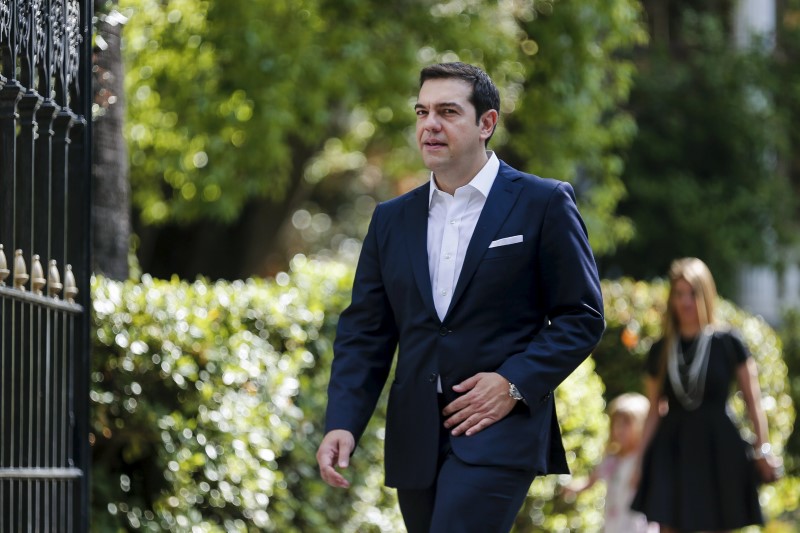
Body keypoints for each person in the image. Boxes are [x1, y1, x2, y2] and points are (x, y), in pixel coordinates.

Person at [315, 61, 605, 533]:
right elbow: (366, 331)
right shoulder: (390, 220)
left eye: (448, 112)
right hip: (415, 437)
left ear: (486, 123)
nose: (430, 124)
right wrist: (343, 422)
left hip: (498, 431)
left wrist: (513, 382)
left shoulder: (543, 202)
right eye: (422, 111)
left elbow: (582, 316)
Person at [631, 257, 781, 533]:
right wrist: (639, 461)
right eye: (679, 294)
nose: (686, 301)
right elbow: (654, 410)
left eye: (693, 293)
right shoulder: (661, 349)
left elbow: (753, 401)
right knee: (668, 523)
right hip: (672, 446)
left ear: (706, 294)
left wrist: (763, 449)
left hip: (718, 445)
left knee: (717, 522)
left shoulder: (729, 342)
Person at [564, 393, 658, 533]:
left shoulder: (642, 460)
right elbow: (592, 480)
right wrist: (573, 487)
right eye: (616, 423)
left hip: (638, 525)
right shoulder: (611, 459)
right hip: (614, 524)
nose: (619, 429)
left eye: (626, 423)